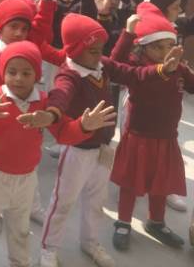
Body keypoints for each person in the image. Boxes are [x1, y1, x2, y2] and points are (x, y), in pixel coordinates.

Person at [39, 14, 183, 267]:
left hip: (103, 148)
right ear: (75, 50)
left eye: (99, 49)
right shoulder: (69, 75)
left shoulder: (102, 64)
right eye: (92, 50)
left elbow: (132, 73)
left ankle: (90, 241)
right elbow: (60, 95)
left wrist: (162, 69)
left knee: (96, 202)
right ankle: (48, 249)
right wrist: (52, 113)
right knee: (63, 202)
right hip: (78, 150)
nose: (98, 54)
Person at [0, 41, 116, 267]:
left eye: (26, 72)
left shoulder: (43, 102)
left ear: (37, 75)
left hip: (26, 179)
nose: (18, 78)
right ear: (3, 73)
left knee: (20, 229)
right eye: (12, 72)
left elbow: (63, 133)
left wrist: (83, 126)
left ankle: (20, 263)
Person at [109, 3, 194, 250]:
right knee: (130, 183)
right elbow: (114, 67)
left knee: (161, 183)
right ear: (143, 47)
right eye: (158, 46)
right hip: (139, 136)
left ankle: (156, 222)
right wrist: (127, 34)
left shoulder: (178, 68)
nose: (165, 51)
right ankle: (123, 222)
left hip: (166, 137)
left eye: (169, 45)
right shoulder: (137, 67)